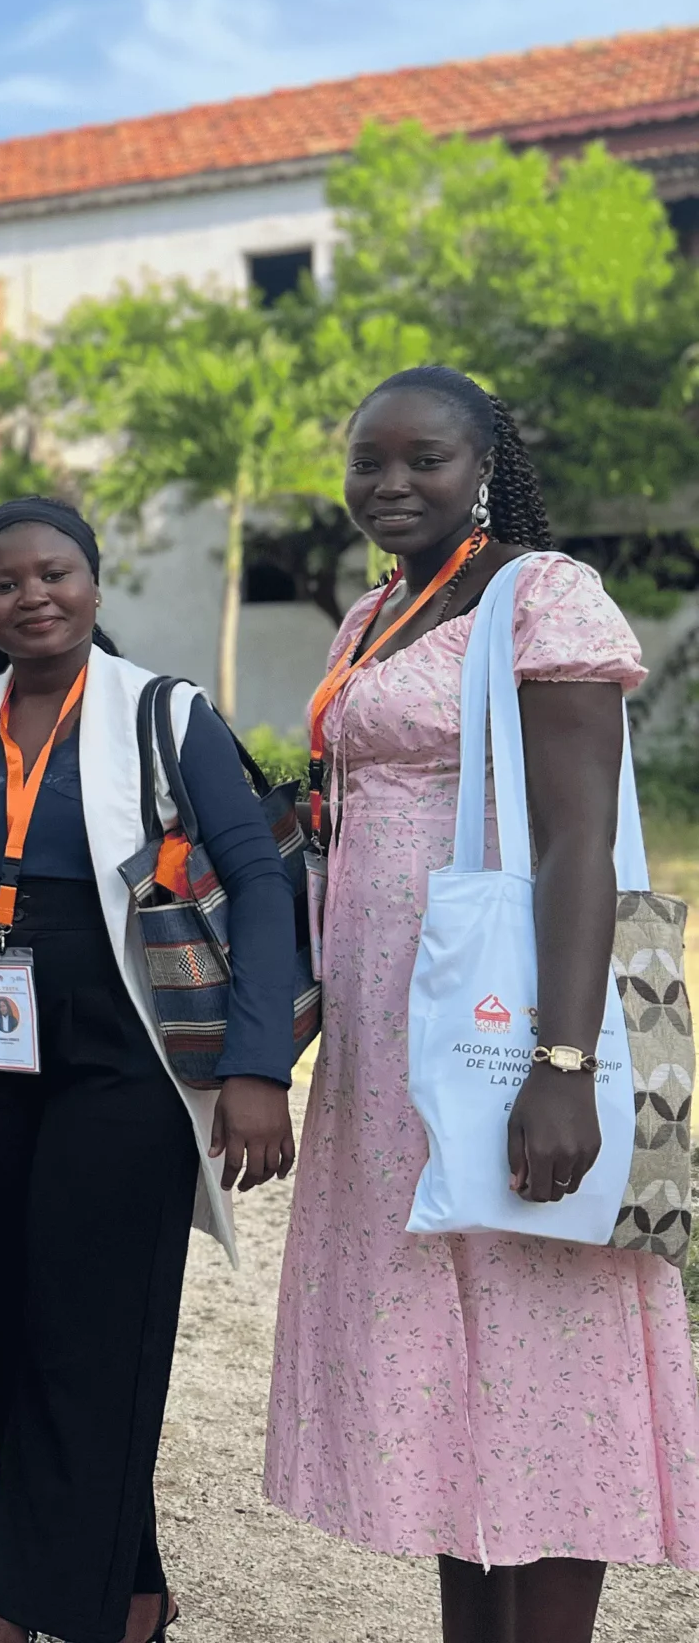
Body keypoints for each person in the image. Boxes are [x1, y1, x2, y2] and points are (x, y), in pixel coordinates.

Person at [266, 366, 699, 1643]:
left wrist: (563, 1065)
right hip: (389, 1053)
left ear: (484, 467)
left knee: (544, 1352)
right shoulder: (372, 614)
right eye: (367, 461)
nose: (390, 484)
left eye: (425, 459)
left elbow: (579, 844)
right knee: (455, 1374)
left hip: (508, 1032)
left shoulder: (541, 597)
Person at [0, 497, 298, 1643]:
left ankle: (22, 1606)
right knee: (30, 1332)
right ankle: (132, 1593)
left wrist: (256, 1066)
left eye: (53, 574)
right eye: (4, 582)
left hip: (130, 1057)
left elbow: (259, 884)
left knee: (93, 1332)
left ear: (94, 582)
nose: (32, 596)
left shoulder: (163, 711)